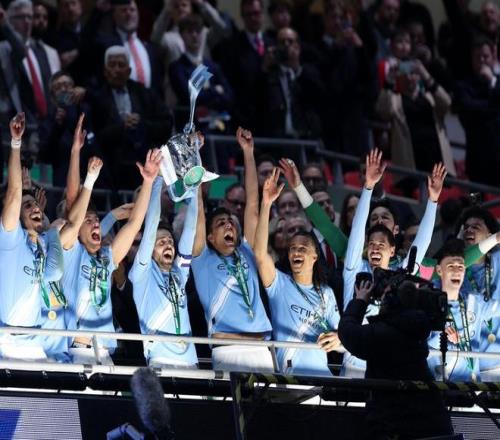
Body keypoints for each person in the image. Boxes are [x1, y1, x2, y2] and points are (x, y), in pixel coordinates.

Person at [342, 149, 445, 377]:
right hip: (352, 368)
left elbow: (422, 243)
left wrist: (432, 201)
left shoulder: (400, 276)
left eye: (382, 244)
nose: (375, 247)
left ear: (393, 250)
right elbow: (357, 231)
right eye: (371, 243)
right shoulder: (355, 272)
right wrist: (368, 187)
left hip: (389, 369)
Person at [59, 147, 162, 365]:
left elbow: (134, 224)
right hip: (79, 352)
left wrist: (148, 181)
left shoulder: (107, 257)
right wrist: (89, 177)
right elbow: (71, 211)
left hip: (106, 355)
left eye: (97, 220)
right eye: (88, 221)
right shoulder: (70, 252)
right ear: (77, 230)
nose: (96, 223)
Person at [191, 127, 273, 372]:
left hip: (262, 347)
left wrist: (248, 152)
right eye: (220, 223)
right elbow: (197, 210)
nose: (228, 225)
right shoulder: (202, 259)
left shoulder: (247, 251)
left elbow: (252, 205)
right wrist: (195, 153)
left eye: (230, 222)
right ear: (210, 237)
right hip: (228, 349)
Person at [338, 279, 454, 439]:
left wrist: (360, 301)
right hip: (431, 422)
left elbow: (347, 332)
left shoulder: (384, 333)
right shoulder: (416, 327)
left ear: (391, 302)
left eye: (385, 296)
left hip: (396, 425)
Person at [254, 167, 340, 376]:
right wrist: (266, 204)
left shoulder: (327, 293)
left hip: (324, 378)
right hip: (291, 379)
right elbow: (260, 254)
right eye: (292, 248)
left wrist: (338, 340)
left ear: (315, 256)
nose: (296, 252)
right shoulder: (279, 283)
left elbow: (342, 340)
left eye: (302, 248)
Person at [0, 113, 65, 361]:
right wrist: (16, 144)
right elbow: (15, 194)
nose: (36, 208)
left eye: (37, 206)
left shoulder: (39, 245)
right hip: (10, 340)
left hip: (36, 339)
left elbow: (54, 272)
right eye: (28, 206)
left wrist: (50, 231)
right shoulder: (10, 239)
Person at [130, 173, 199, 368]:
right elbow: (151, 226)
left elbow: (190, 230)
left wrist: (194, 189)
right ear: (150, 250)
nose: (168, 244)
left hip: (190, 362)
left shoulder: (180, 273)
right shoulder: (142, 274)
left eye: (169, 241)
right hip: (161, 360)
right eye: (161, 242)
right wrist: (157, 180)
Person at [88, 46, 172, 190]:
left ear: (129, 71)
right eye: (112, 65)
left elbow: (166, 123)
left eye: (121, 65)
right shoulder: (96, 98)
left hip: (143, 164)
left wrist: (142, 124)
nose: (116, 69)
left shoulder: (144, 93)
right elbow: (94, 135)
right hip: (110, 169)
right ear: (105, 71)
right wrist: (122, 127)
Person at [429, 238, 500, 382]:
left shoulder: (474, 301)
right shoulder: (427, 303)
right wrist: (441, 336)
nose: (457, 271)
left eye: (460, 267)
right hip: (440, 387)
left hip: (472, 388)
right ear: (439, 270)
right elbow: (419, 344)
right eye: (451, 266)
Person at [455, 38, 500, 185]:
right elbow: (469, 109)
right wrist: (495, 106)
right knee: (475, 198)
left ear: (493, 57)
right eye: (477, 57)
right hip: (477, 160)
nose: (482, 60)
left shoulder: (497, 83)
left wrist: (492, 82)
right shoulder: (463, 86)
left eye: (485, 56)